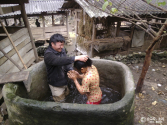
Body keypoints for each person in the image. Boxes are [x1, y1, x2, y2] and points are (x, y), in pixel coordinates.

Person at [44, 34, 88, 102]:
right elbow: (59, 61)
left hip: (64, 81)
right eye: (60, 45)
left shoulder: (62, 50)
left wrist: (71, 70)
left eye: (63, 45)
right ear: (52, 44)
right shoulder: (48, 54)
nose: (62, 47)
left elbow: (66, 62)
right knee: (60, 103)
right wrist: (76, 58)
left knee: (67, 96)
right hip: (56, 84)